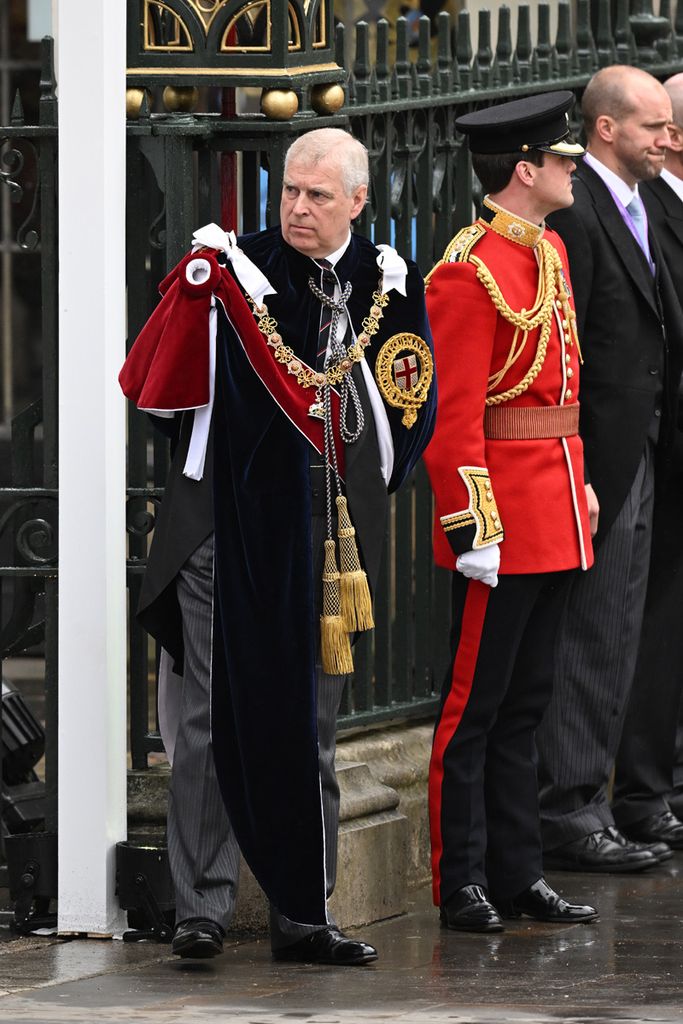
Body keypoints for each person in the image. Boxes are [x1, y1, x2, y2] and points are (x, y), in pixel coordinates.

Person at [119, 128, 436, 964]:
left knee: (313, 729)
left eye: (317, 196)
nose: (297, 207)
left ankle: (305, 910)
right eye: (290, 190)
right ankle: (202, 908)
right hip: (220, 532)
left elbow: (411, 401)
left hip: (326, 549)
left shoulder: (385, 284)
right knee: (204, 725)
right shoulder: (229, 273)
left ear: (358, 203)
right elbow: (156, 388)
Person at [424, 91, 598, 933]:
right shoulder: (468, 267)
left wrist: (582, 482)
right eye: (562, 159)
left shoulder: (550, 254)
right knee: (474, 710)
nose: (572, 169)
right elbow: (453, 415)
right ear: (524, 169)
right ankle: (461, 879)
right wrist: (470, 524)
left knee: (528, 705)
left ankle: (517, 871)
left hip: (555, 504)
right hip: (499, 519)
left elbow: (562, 388)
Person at [536, 66, 683, 872]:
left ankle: (595, 800)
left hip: (641, 453)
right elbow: (569, 353)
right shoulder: (580, 209)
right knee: (590, 636)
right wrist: (583, 472)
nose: (665, 140)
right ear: (605, 129)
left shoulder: (631, 203)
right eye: (652, 126)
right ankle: (568, 810)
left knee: (621, 632)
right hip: (596, 462)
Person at [610, 73, 683, 851]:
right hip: (654, 446)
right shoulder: (646, 211)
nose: (660, 139)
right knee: (647, 625)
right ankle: (641, 789)